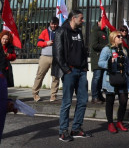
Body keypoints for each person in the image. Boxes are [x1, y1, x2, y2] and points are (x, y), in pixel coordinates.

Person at [54, 9, 92, 141]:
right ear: (73, 18)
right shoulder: (61, 31)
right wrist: (67, 70)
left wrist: (85, 67)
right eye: (81, 18)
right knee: (67, 102)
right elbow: (58, 54)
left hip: (81, 71)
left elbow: (82, 50)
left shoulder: (79, 32)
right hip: (69, 71)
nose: (83, 21)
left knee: (82, 101)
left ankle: (76, 128)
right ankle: (63, 131)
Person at [98, 31, 129, 134]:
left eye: (121, 36)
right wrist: (109, 62)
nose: (121, 38)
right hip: (111, 79)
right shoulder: (107, 49)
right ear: (113, 38)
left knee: (123, 101)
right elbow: (100, 63)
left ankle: (120, 121)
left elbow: (127, 65)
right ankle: (110, 123)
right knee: (110, 101)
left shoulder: (123, 50)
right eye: (119, 36)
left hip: (122, 78)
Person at [33, 17, 61, 102]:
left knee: (56, 77)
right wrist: (46, 43)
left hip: (56, 57)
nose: (54, 25)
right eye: (52, 24)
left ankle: (53, 95)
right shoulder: (45, 32)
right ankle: (35, 94)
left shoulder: (61, 31)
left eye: (55, 24)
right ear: (50, 23)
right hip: (45, 57)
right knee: (40, 75)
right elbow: (38, 43)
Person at [89, 19, 109, 104]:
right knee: (96, 78)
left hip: (103, 59)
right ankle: (94, 96)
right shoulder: (95, 32)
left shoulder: (105, 32)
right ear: (98, 22)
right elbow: (94, 45)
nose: (104, 23)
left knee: (101, 78)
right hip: (97, 58)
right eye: (102, 22)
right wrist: (105, 46)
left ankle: (99, 95)